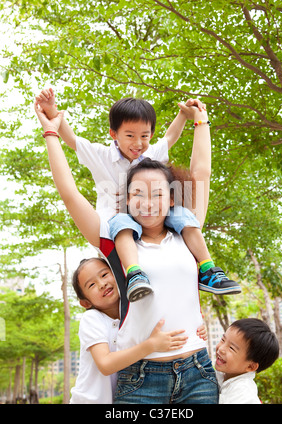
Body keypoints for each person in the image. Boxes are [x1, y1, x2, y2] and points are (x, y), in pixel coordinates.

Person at [34, 101, 219, 403]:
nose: (148, 202)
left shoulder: (187, 232)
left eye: (158, 193)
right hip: (142, 378)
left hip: (198, 371)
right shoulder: (115, 243)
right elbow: (69, 193)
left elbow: (202, 172)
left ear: (172, 199)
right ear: (126, 201)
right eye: (137, 194)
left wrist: (201, 122)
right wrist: (51, 134)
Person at [35, 89, 241, 301]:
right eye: (130, 136)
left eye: (145, 136)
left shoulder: (151, 158)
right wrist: (52, 114)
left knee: (184, 217)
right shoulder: (102, 157)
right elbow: (72, 142)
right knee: (123, 224)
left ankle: (207, 270)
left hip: (155, 218)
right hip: (118, 220)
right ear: (113, 134)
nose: (138, 143)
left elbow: (173, 141)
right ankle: (134, 273)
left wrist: (186, 115)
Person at [69, 256, 192, 404]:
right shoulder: (92, 319)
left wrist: (195, 328)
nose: (102, 284)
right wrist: (151, 345)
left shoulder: (135, 314)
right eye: (92, 285)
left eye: (104, 275)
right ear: (86, 302)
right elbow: (106, 364)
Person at [215, 318, 279, 404]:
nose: (221, 349)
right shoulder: (222, 374)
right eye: (223, 340)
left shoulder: (244, 393)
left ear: (250, 366)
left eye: (231, 348)